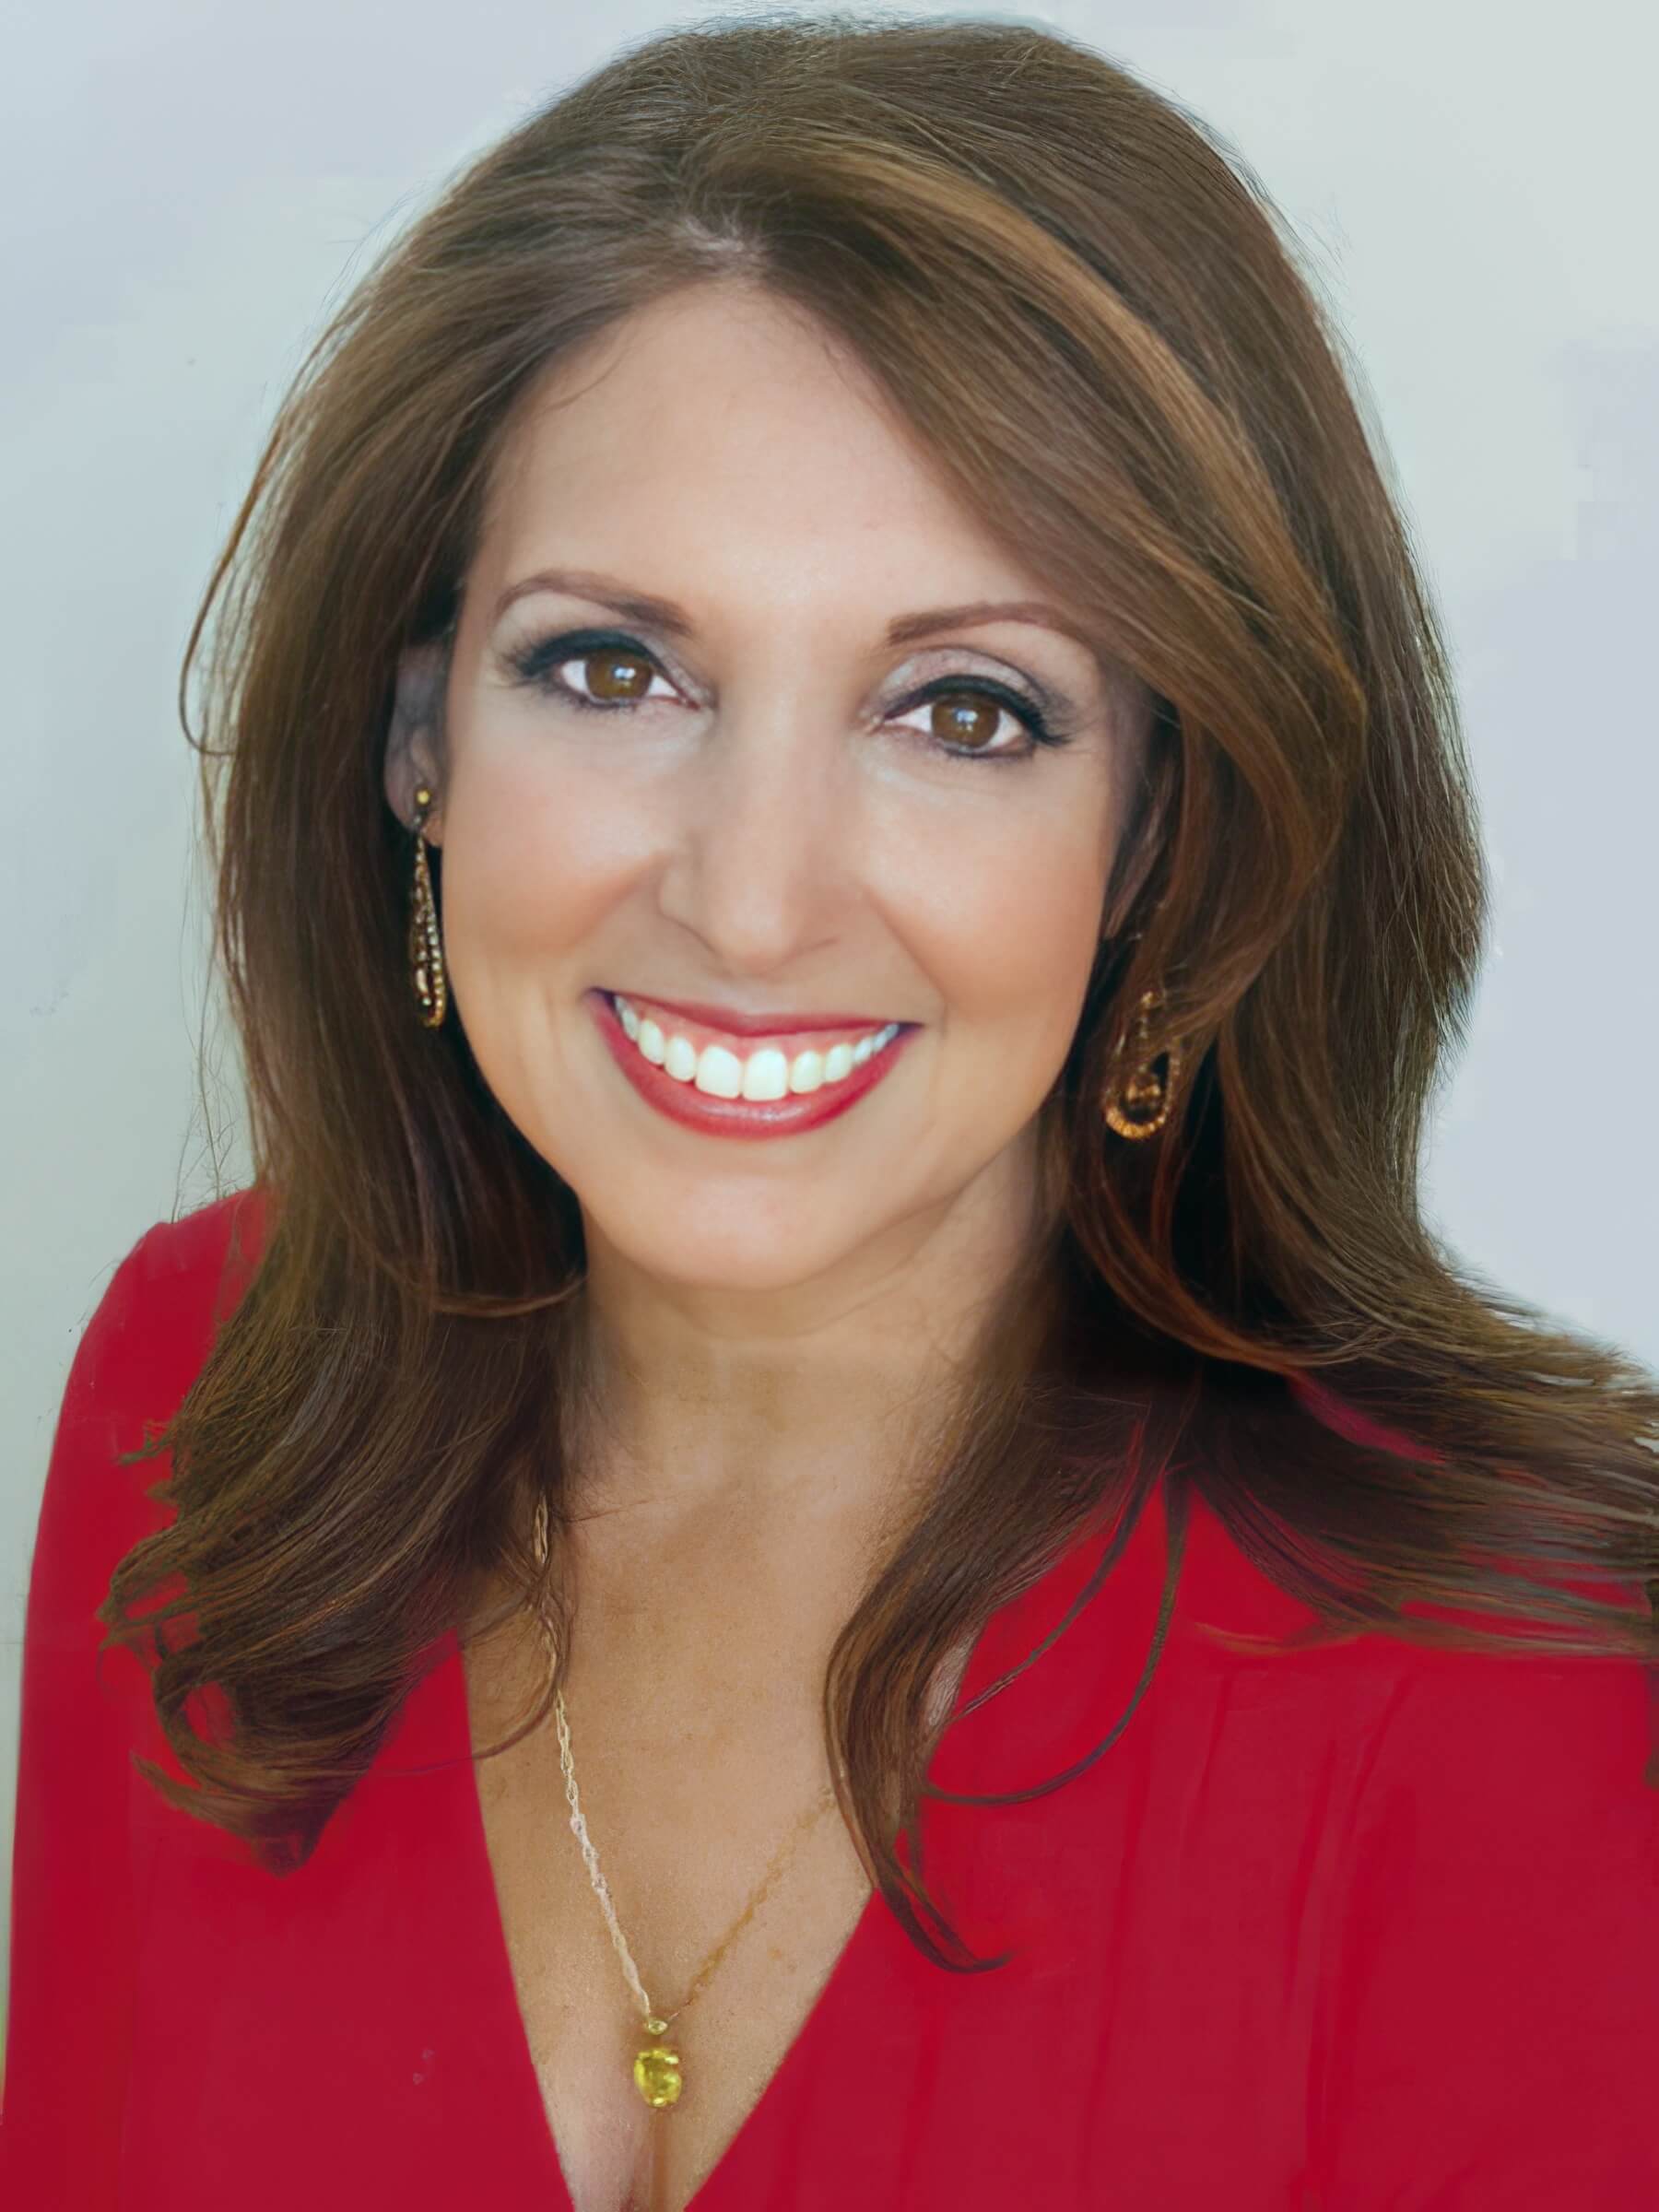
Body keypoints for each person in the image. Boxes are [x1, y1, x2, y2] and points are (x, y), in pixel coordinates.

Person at [5, 16, 1656, 2211]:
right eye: (615, 670)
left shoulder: (1522, 1683)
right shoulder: (198, 1394)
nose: (753, 899)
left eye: (964, 711)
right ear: (420, 740)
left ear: (1163, 837)